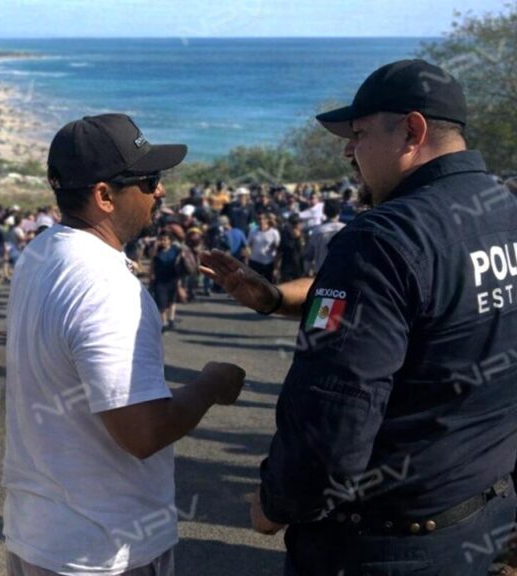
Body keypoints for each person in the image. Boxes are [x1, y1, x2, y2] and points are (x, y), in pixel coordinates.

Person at [201, 59, 517, 575]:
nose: (348, 150)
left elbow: (334, 414)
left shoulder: (382, 239)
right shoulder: (503, 212)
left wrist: (278, 503)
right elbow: (424, 313)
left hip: (385, 545)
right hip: (486, 520)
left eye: (359, 133)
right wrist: (276, 299)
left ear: (412, 131)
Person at [4, 113, 245, 576]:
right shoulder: (104, 285)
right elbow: (142, 432)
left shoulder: (39, 254)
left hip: (39, 533)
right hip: (101, 548)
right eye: (149, 179)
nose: (160, 191)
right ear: (103, 196)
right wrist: (212, 383)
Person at [303, 197, 346, 274]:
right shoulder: (347, 229)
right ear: (339, 211)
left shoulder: (317, 231)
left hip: (322, 275)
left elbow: (308, 256)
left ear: (324, 211)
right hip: (342, 274)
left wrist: (307, 272)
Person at [149, 232, 181, 331]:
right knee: (161, 302)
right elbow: (151, 259)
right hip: (160, 280)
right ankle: (164, 322)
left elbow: (180, 264)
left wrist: (180, 280)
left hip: (172, 278)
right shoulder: (157, 251)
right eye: (161, 240)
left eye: (165, 240)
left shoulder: (175, 250)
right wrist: (155, 246)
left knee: (172, 300)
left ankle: (171, 319)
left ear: (170, 241)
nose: (163, 242)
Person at [246, 213, 280, 282]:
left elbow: (277, 249)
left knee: (268, 285)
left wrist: (276, 267)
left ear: (267, 220)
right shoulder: (253, 231)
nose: (261, 221)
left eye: (264, 219)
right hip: (254, 261)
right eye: (259, 219)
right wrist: (247, 258)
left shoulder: (274, 232)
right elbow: (248, 245)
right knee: (254, 283)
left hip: (268, 262)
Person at [275, 214, 306, 282]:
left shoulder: (303, 235)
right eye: (295, 223)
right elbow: (280, 251)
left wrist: (299, 238)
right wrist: (276, 267)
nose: (299, 225)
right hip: (287, 266)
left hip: (299, 267)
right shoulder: (285, 235)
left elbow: (303, 251)